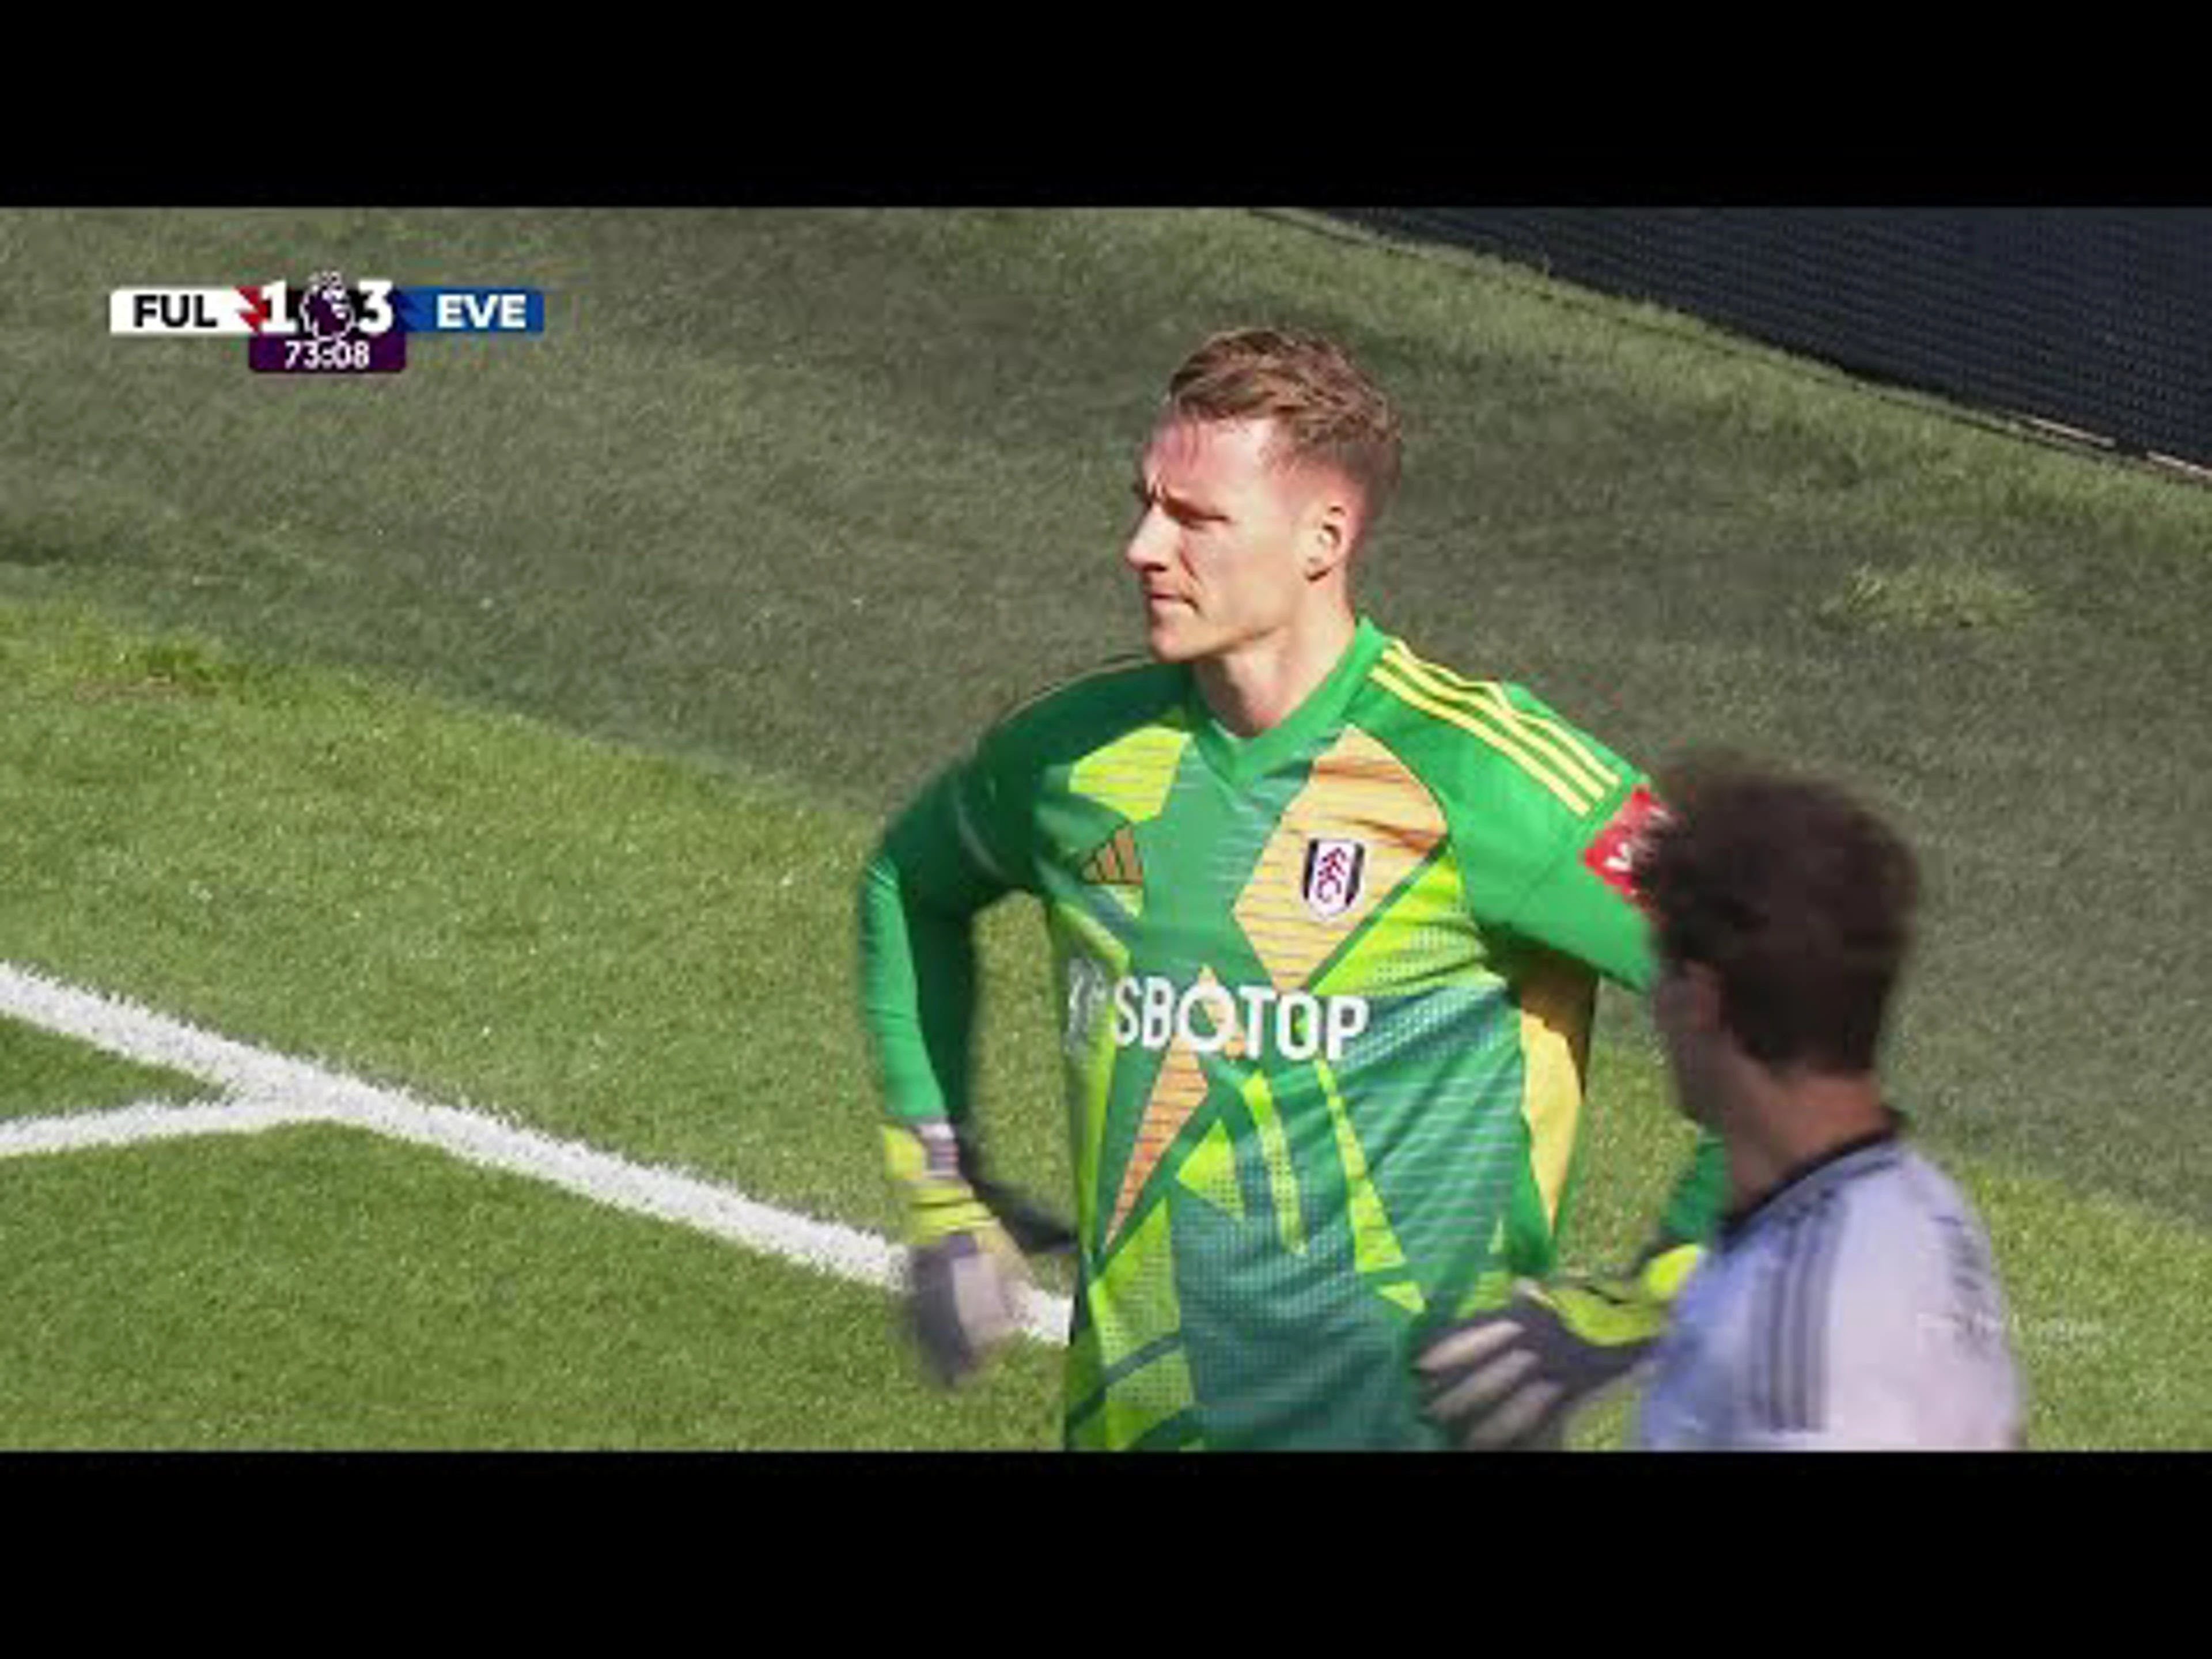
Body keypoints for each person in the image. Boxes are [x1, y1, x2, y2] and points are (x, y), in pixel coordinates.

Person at [858, 326, 1721, 1450]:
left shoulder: (1483, 774)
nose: (1142, 546)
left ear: (1326, 537)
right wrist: (939, 1178)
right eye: (1145, 503)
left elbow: (1780, 989)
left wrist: (1651, 1295)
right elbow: (910, 882)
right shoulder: (1072, 758)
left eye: (1197, 519)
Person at [1624, 760, 2024, 1449]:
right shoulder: (1926, 1207)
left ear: (1704, 999)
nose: (1653, 1003)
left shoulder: (1798, 1322)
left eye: (1664, 974)